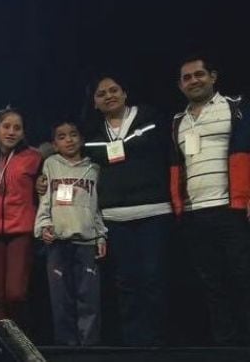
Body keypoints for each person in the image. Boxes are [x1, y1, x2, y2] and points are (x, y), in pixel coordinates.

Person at [82, 74, 172, 346]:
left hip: (153, 211)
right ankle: (135, 343)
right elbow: (92, 151)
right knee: (126, 283)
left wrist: (121, 148)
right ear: (95, 103)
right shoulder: (93, 132)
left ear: (125, 93)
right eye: (101, 94)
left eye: (114, 90)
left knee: (154, 278)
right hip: (115, 217)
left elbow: (145, 142)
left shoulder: (150, 117)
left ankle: (159, 342)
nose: (109, 96)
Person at [170, 56, 250, 345]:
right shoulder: (178, 120)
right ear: (180, 85)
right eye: (187, 77)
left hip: (231, 210)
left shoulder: (236, 108)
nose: (194, 80)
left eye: (199, 74)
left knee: (243, 278)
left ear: (213, 77)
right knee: (211, 284)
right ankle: (226, 346)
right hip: (194, 213)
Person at [35, 120, 106, 346]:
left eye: (73, 134)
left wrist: (100, 235)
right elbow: (44, 200)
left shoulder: (94, 168)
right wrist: (44, 226)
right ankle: (67, 349)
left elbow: (97, 206)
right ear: (54, 144)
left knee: (89, 299)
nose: (69, 140)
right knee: (60, 300)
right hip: (57, 242)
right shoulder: (50, 165)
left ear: (82, 139)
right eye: (62, 136)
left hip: (86, 242)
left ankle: (88, 348)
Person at [0, 108, 42, 330]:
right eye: (6, 126)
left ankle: (20, 341)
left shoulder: (34, 158)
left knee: (15, 294)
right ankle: (3, 344)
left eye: (17, 128)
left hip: (21, 232)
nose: (11, 132)